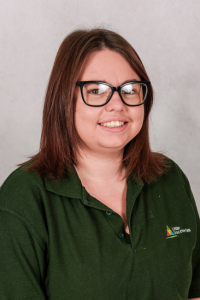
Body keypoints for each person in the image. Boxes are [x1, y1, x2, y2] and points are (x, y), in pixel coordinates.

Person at [0, 28, 199, 300]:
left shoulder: (170, 178)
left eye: (130, 89)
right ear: (63, 100)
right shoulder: (23, 199)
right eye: (96, 90)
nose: (117, 104)